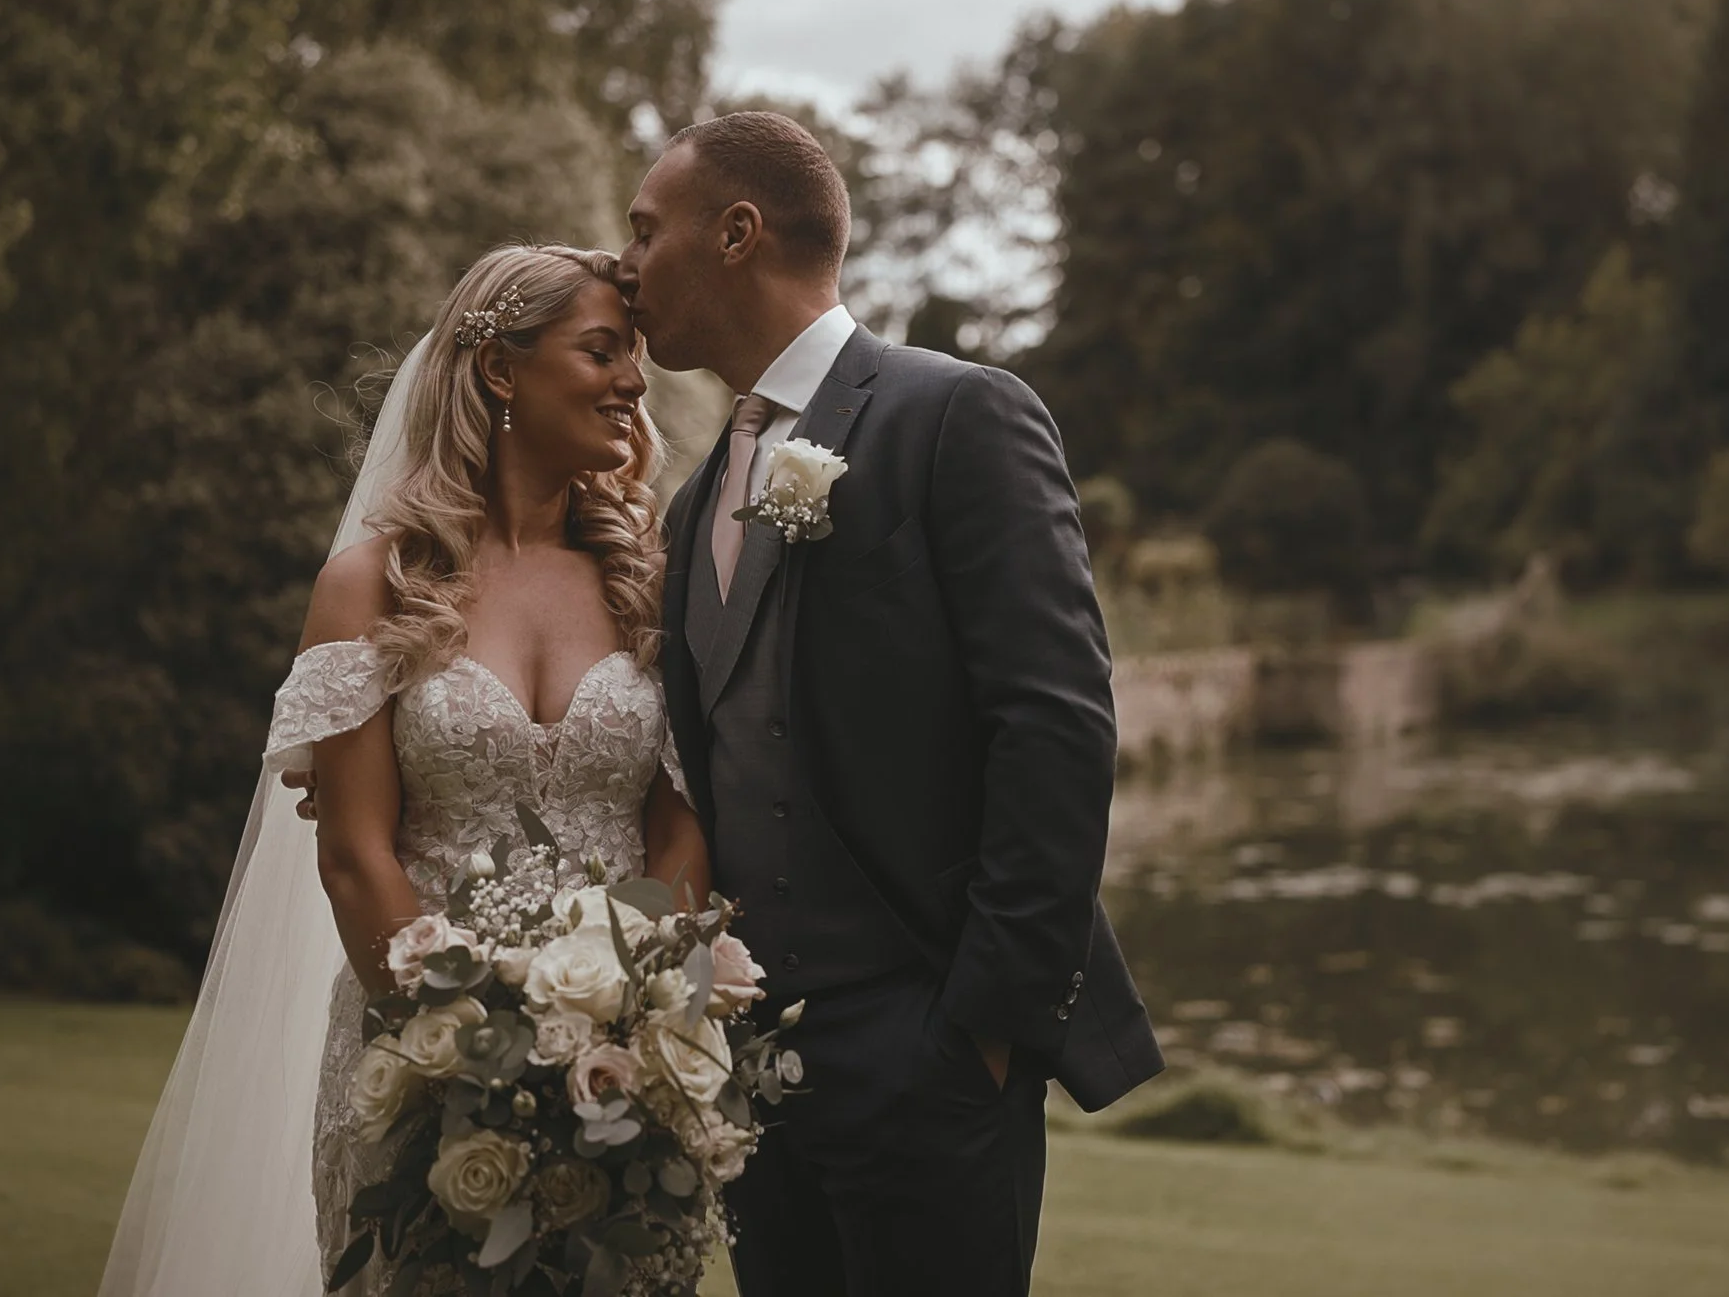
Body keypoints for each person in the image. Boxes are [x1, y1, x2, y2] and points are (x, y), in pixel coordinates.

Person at [617, 110, 1162, 1296]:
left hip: (933, 1047)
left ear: (737, 232)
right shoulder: (689, 500)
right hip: (754, 1070)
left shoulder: (957, 414)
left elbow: (1058, 721)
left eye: (646, 230)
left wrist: (984, 1029)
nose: (625, 262)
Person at [98, 244, 707, 1295]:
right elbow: (353, 852)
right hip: (418, 1059)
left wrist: (644, 1022)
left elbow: (681, 825)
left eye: (635, 357)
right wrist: (468, 1049)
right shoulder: (371, 581)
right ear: (500, 369)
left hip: (631, 1070)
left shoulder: (653, 579)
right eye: (601, 350)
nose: (631, 380)